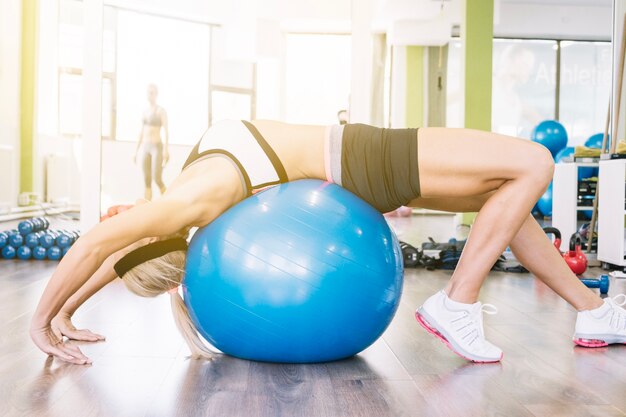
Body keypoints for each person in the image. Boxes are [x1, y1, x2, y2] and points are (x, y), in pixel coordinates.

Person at [30, 120, 626, 365]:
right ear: (152, 232)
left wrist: (69, 311)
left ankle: (592, 312)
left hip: (356, 162)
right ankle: (457, 304)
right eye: (129, 223)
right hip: (361, 160)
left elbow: (115, 253)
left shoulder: (178, 204)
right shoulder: (186, 203)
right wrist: (41, 322)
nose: (120, 216)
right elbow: (103, 241)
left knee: (509, 198)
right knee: (533, 161)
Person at [134, 84, 169, 201]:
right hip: (145, 147)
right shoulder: (145, 112)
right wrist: (136, 151)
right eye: (148, 92)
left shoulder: (160, 111)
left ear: (156, 94)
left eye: (152, 92)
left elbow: (166, 130)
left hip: (157, 147)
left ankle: (168, 201)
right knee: (147, 180)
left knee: (157, 178)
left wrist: (166, 149)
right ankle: (146, 208)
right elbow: (141, 132)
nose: (150, 95)